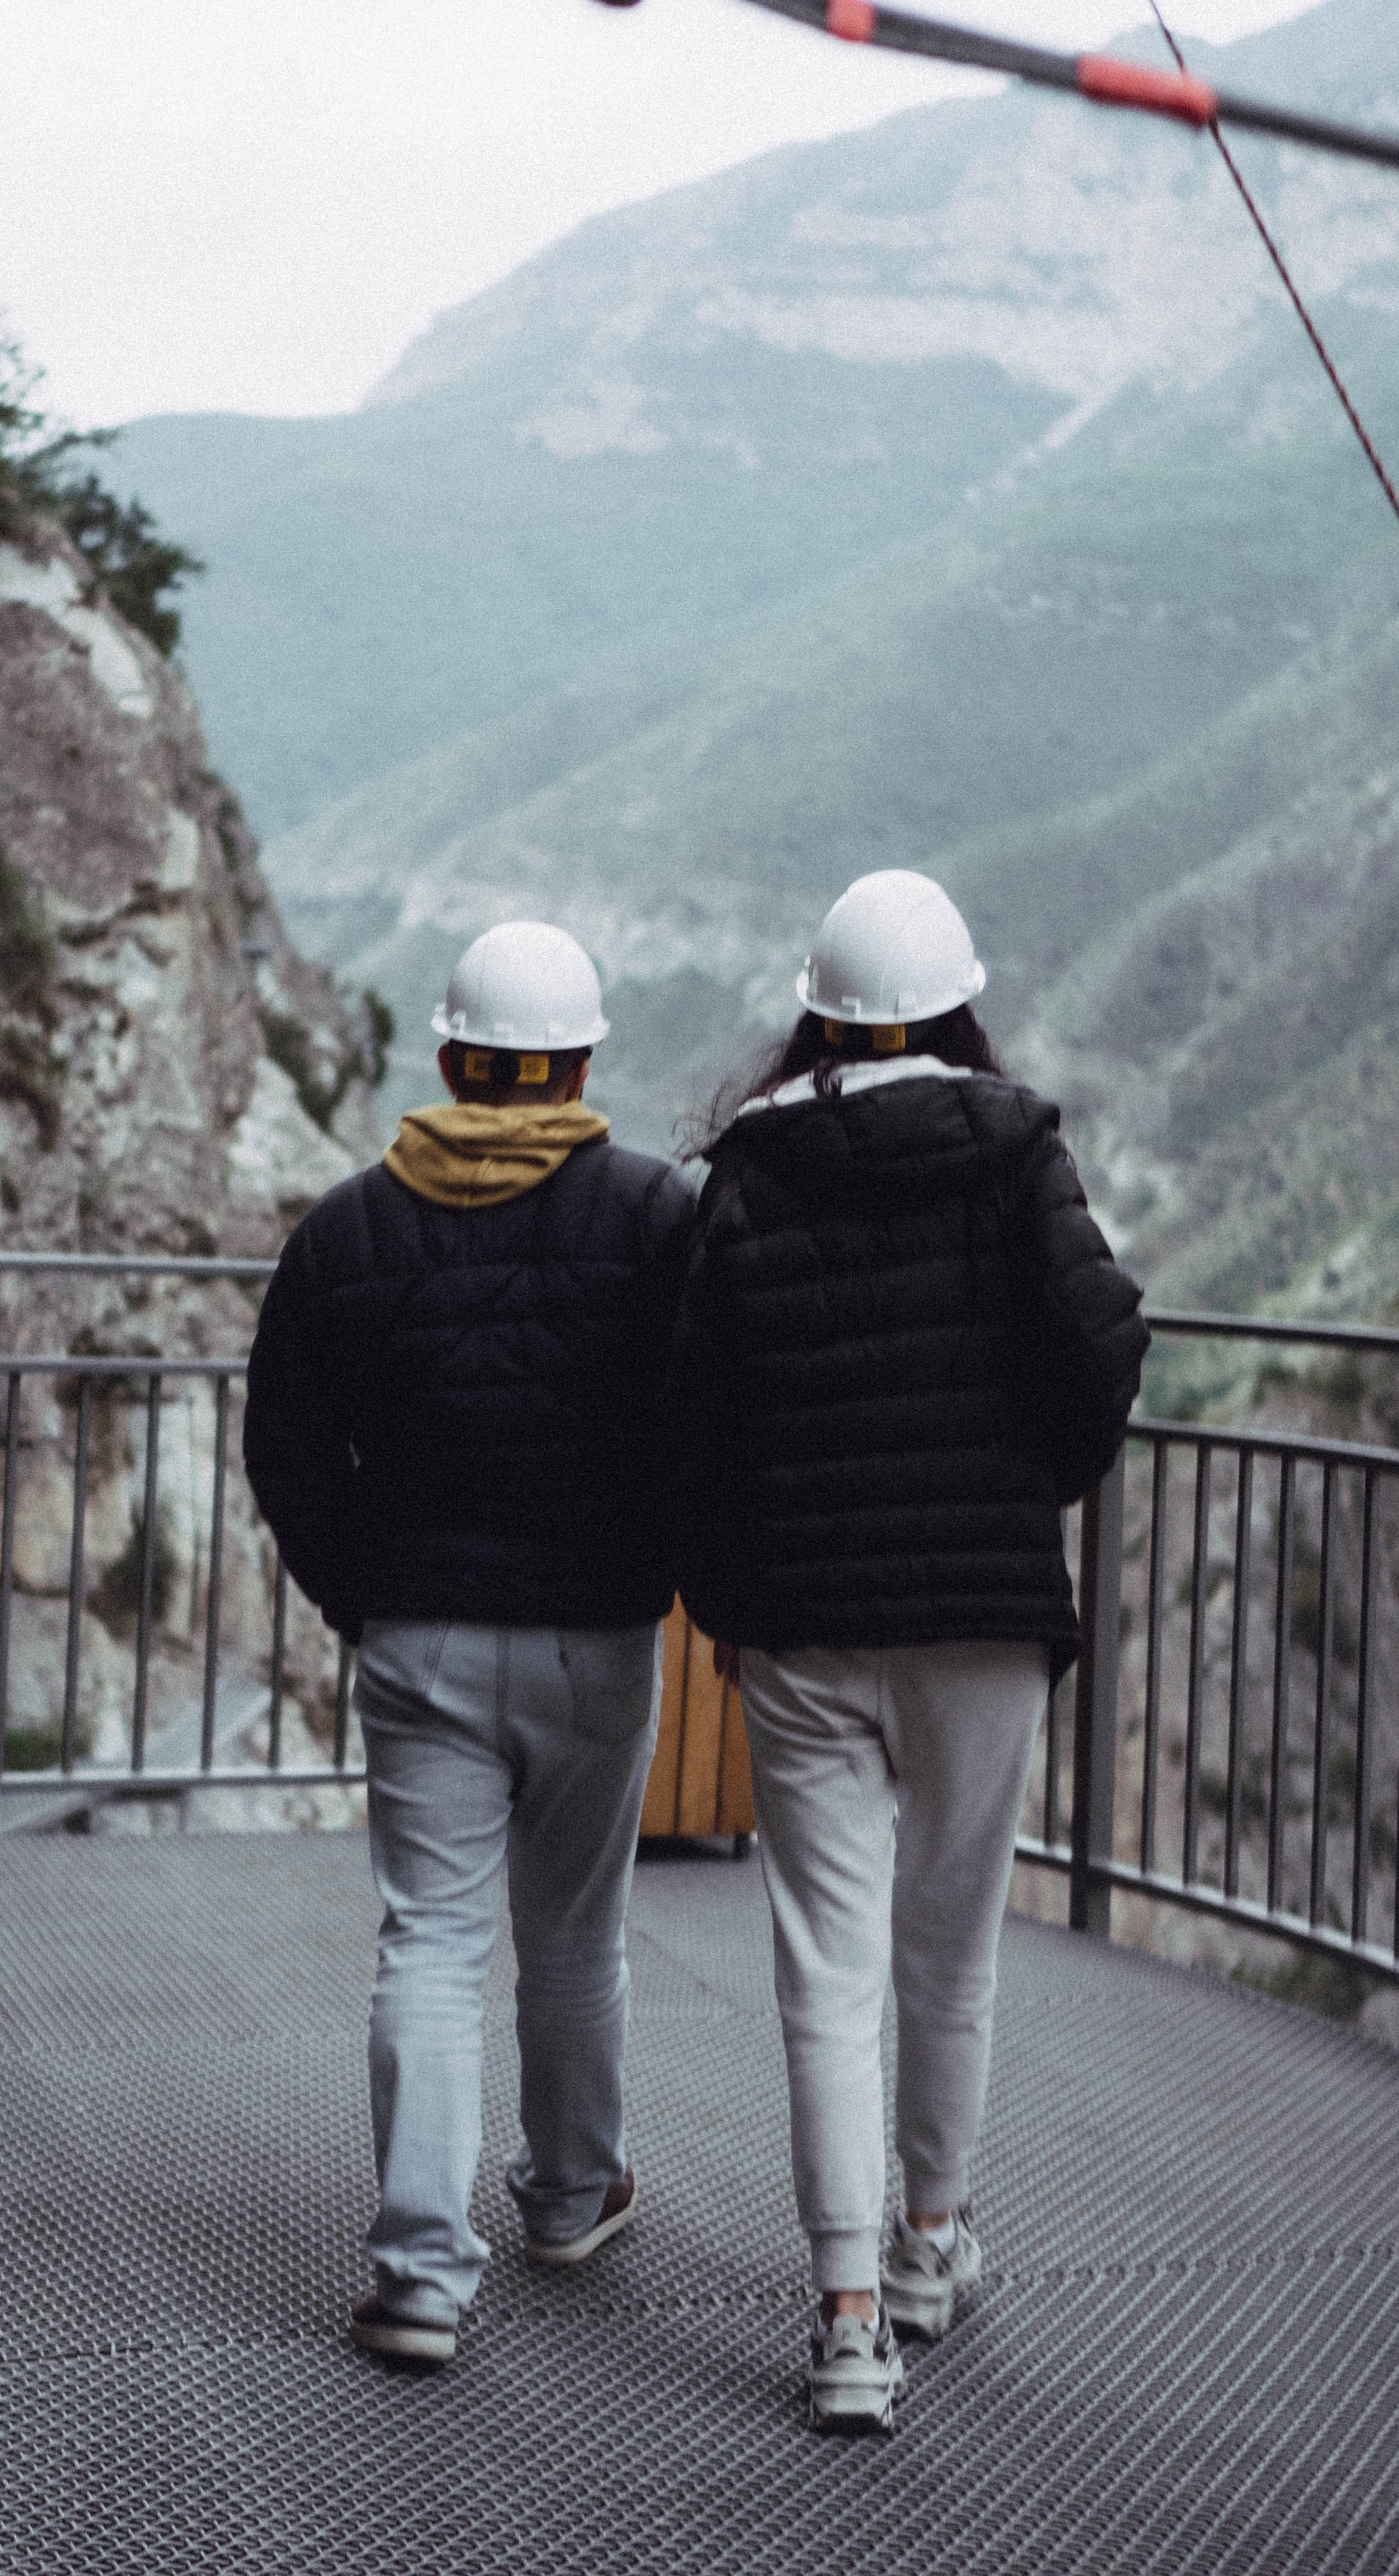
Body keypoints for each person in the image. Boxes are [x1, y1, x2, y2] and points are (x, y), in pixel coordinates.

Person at [671, 870, 1147, 2432]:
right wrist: (1024, 1493)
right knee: (950, 1956)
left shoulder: (746, 1166)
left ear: (817, 1006)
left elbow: (694, 1418)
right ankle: (935, 2243)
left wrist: (737, 1601)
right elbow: (1100, 1348)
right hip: (982, 1626)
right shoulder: (1015, 1149)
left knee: (825, 1969)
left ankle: (848, 2319)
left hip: (806, 1622)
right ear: (955, 1000)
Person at [244, 920, 695, 2366]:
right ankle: (569, 2196)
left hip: (421, 1639)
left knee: (430, 1944)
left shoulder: (345, 1230)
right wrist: (667, 1567)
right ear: (578, 1066)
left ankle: (422, 2274)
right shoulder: (654, 1217)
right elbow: (710, 1424)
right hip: (599, 1642)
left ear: (448, 1057)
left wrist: (358, 1591)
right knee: (574, 1938)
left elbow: (285, 1452)